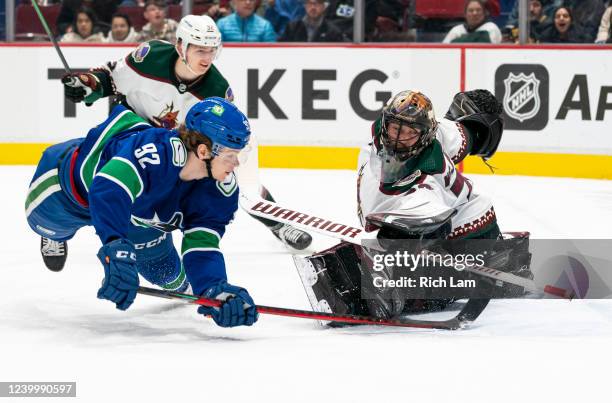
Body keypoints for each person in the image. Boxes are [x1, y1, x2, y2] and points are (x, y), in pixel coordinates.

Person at [60, 15, 312, 254]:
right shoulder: (151, 57)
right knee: (90, 174)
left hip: (173, 145)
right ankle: (56, 229)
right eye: (200, 50)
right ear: (181, 46)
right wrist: (88, 83)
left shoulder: (217, 91)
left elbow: (225, 139)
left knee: (226, 174)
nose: (207, 58)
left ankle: (278, 223)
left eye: (212, 50)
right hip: (131, 130)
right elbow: (111, 78)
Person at [297, 89, 532, 320]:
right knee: (426, 212)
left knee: (480, 205)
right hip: (394, 213)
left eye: (409, 131)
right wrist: (397, 234)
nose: (399, 137)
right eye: (395, 128)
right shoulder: (376, 160)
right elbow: (384, 204)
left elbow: (466, 135)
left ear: (427, 133)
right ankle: (389, 270)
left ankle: (481, 258)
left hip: (439, 213)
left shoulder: (439, 132)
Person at [26, 98, 258, 328]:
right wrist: (115, 246)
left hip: (138, 216)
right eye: (230, 155)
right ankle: (56, 236)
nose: (236, 163)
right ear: (204, 151)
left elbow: (202, 246)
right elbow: (108, 189)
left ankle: (181, 284)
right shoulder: (156, 152)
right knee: (47, 224)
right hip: (70, 191)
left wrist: (213, 288)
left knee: (164, 273)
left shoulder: (220, 191)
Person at [279, 0, 344, 42]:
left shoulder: (333, 31)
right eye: (309, 3)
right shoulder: (292, 27)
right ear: (305, 6)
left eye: (317, 3)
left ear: (324, 6)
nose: (313, 7)